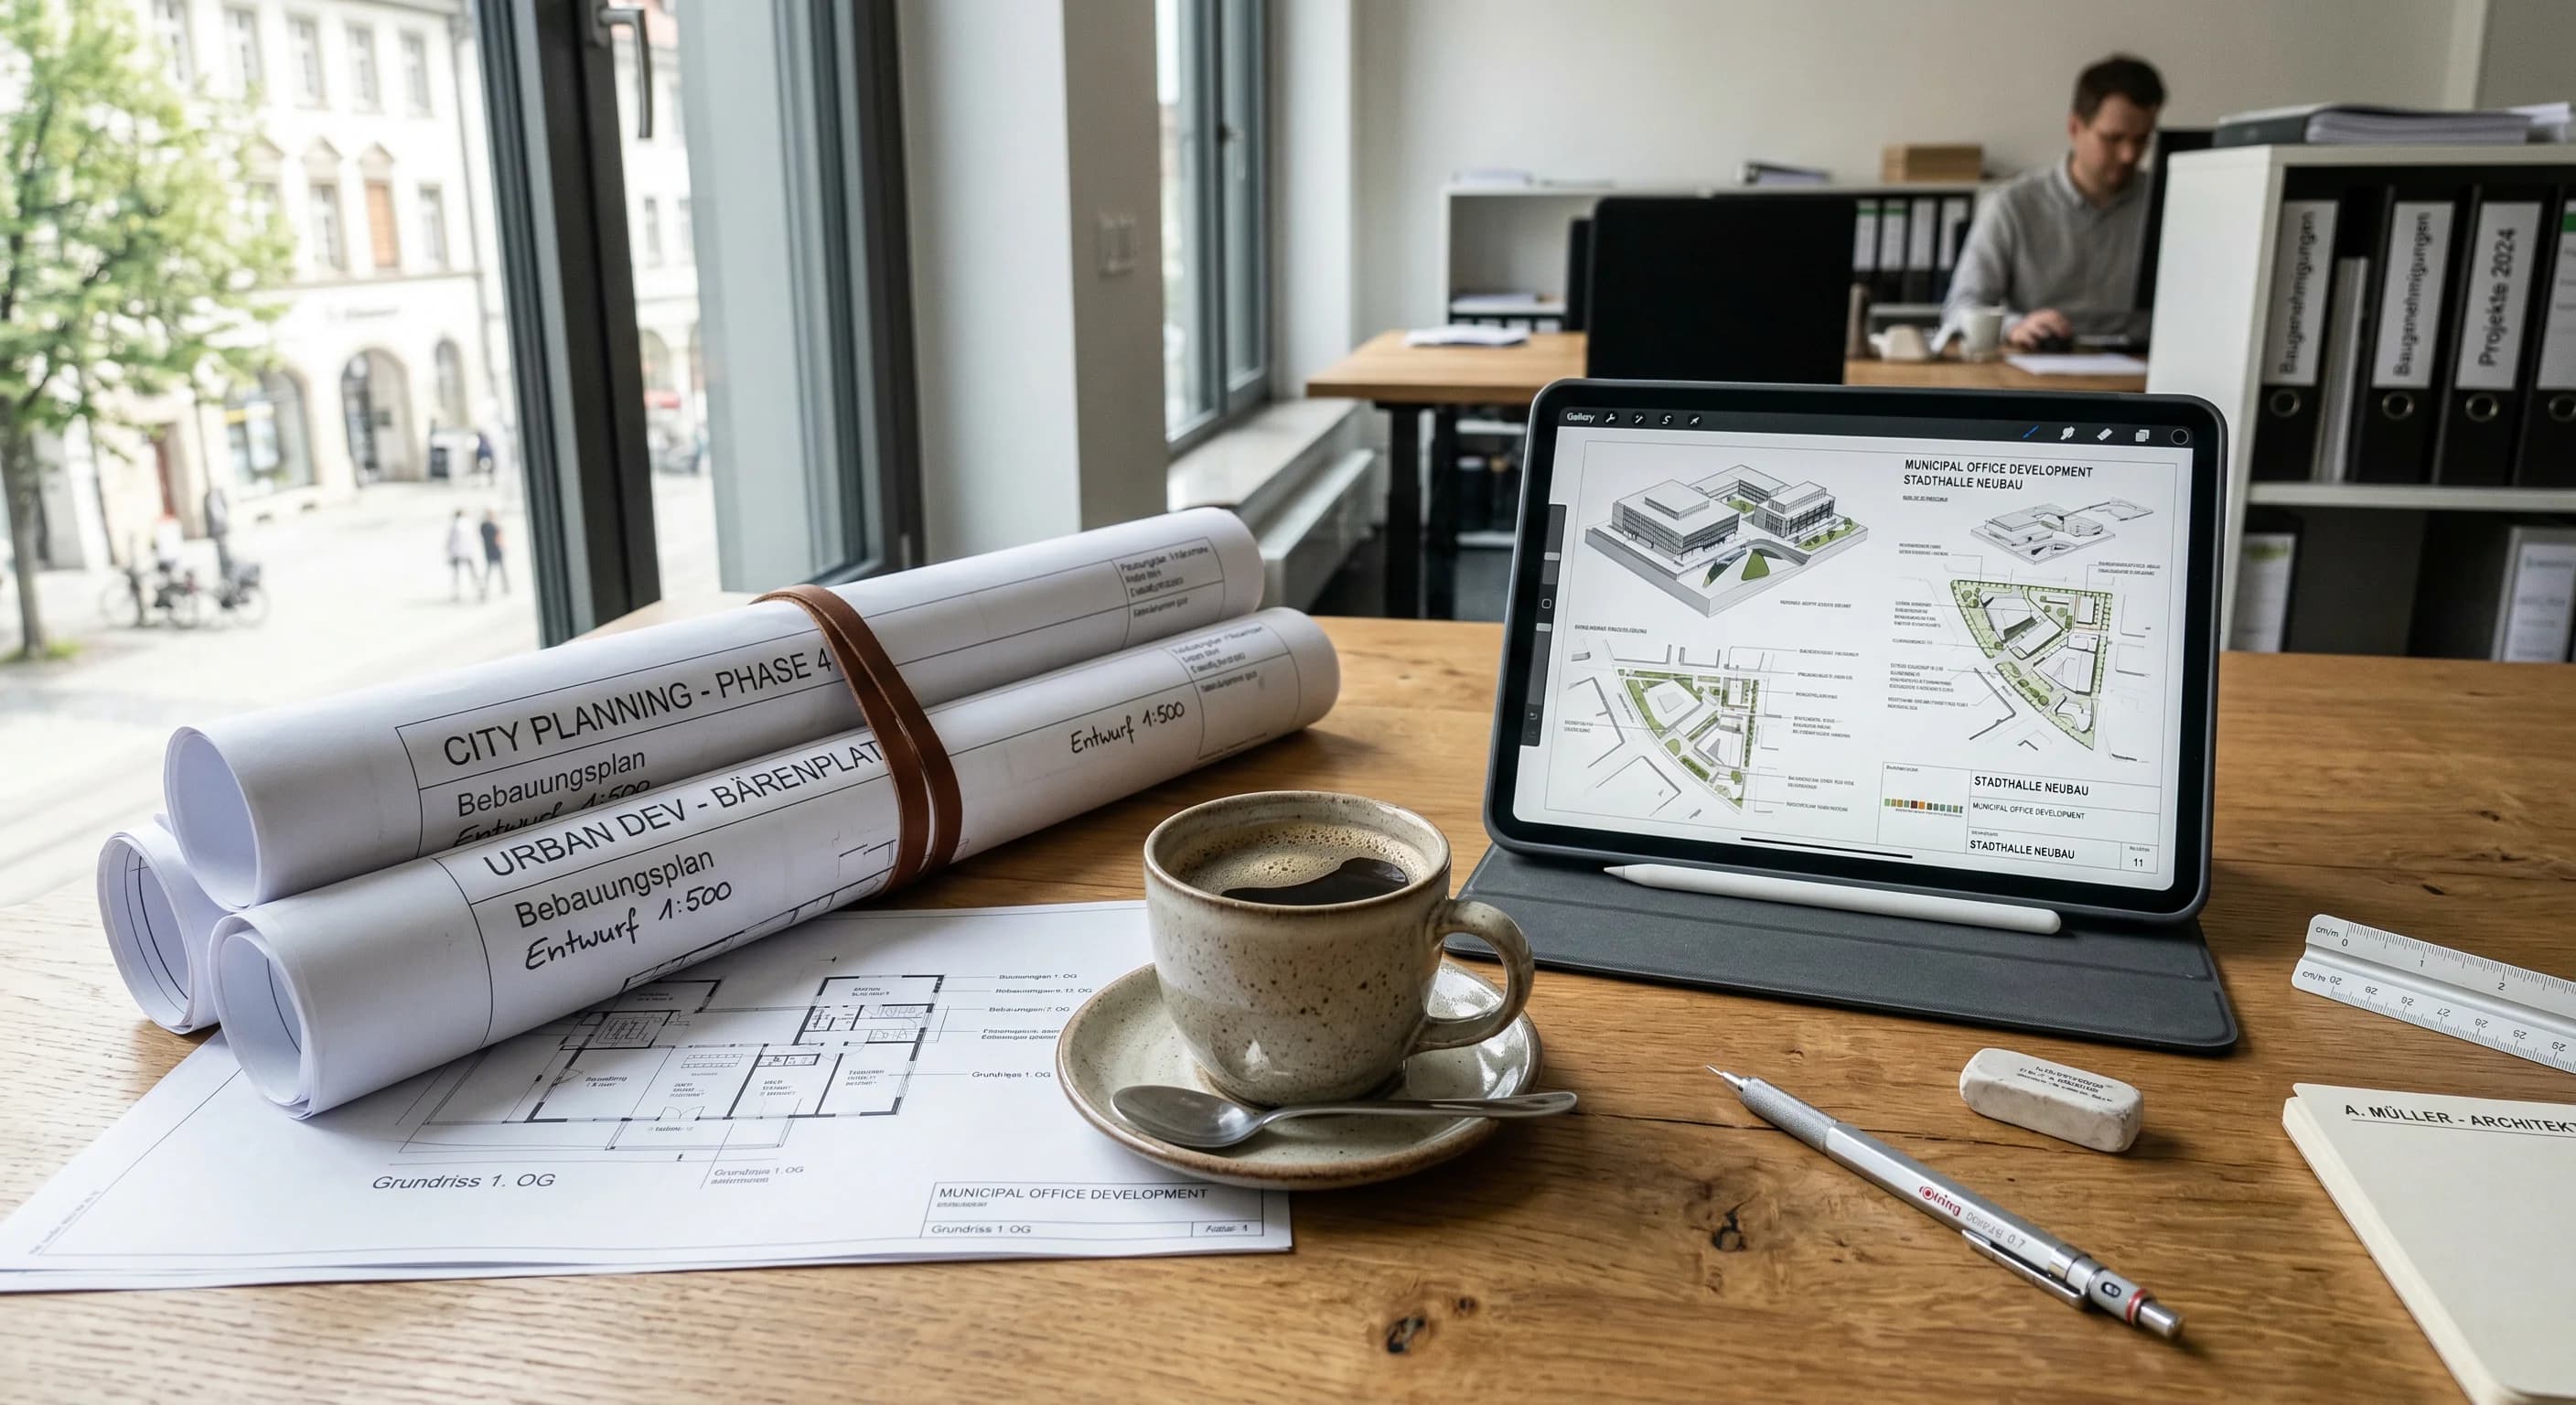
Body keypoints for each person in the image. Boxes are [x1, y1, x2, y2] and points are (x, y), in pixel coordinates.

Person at [1942, 55, 2163, 350]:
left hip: (2144, 361)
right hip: (2043, 356)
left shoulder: (2167, 202)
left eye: (2141, 140)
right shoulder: (2013, 205)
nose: (2129, 155)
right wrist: (2015, 326)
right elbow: (1960, 309)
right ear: (2075, 127)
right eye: (2113, 138)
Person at [446, 509, 481, 601]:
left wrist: (449, 551)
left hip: (457, 552)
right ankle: (479, 590)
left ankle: (457, 593)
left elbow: (451, 540)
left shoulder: (454, 525)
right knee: (473, 572)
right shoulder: (469, 524)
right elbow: (474, 538)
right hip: (468, 551)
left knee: (457, 574)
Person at [479, 508, 508, 595]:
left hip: (489, 549)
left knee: (491, 570)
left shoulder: (484, 526)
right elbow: (498, 537)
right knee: (500, 569)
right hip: (495, 549)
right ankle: (505, 586)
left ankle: (487, 588)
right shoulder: (493, 526)